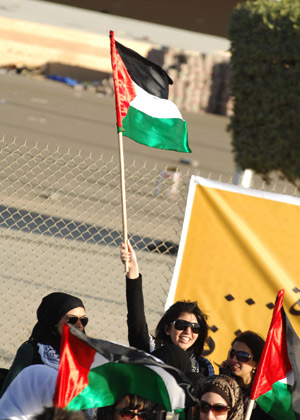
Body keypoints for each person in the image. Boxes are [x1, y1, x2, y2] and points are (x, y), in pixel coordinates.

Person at [120, 241, 214, 378]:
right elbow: (137, 323)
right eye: (182, 325)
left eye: (195, 328)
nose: (188, 331)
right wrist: (133, 273)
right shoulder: (151, 349)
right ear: (167, 329)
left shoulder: (203, 367)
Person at [0, 292, 88, 396]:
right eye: (72, 319)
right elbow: (7, 396)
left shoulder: (86, 354)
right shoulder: (32, 351)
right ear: (54, 321)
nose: (79, 325)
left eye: (83, 320)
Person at [220, 331, 272, 420]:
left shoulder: (266, 393)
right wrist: (224, 378)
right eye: (232, 353)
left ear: (256, 363)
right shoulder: (225, 380)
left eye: (242, 356)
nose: (234, 360)